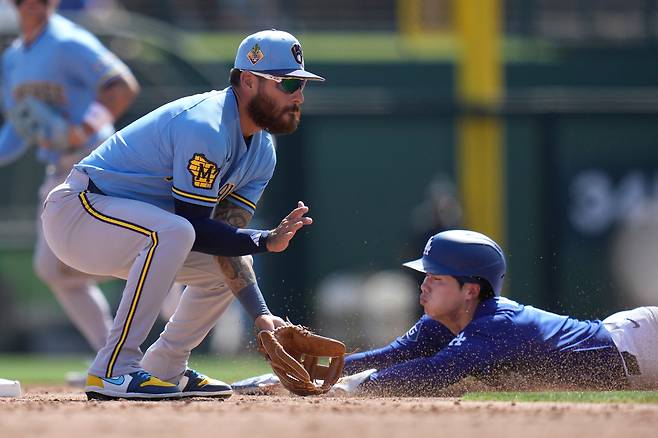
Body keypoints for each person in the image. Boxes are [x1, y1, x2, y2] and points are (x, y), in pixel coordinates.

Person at [41, 29, 322, 400]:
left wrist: (261, 315)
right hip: (79, 213)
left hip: (133, 230)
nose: (299, 95)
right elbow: (193, 225)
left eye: (301, 84)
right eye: (287, 83)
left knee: (227, 269)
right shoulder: (205, 125)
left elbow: (223, 238)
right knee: (176, 232)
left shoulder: (263, 152)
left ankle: (165, 367)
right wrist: (264, 240)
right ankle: (112, 368)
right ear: (250, 81)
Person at [234, 230, 658, 395]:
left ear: (470, 289)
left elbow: (432, 372)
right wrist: (302, 375)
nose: (423, 284)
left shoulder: (496, 326)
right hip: (629, 345)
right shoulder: (443, 320)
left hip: (642, 345)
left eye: (436, 278)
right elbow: (390, 357)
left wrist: (342, 388)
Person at [0, 0, 139, 353]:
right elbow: (18, 129)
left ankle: (157, 327)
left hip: (98, 163)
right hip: (60, 171)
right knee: (52, 268)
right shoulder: (13, 60)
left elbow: (121, 86)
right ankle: (114, 355)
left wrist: (82, 129)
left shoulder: (67, 39)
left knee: (140, 254)